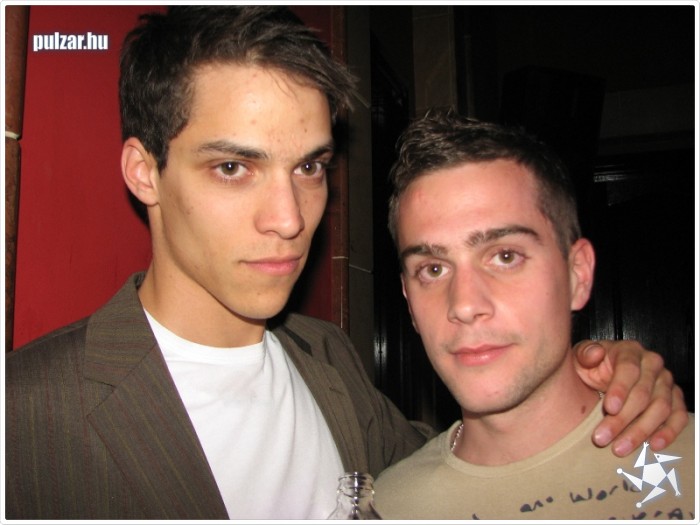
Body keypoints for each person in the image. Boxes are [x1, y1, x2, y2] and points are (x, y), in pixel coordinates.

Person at [3, 6, 688, 520]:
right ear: (144, 171)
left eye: (309, 167)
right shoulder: (28, 416)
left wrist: (597, 369)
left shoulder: (328, 360)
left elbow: (466, 460)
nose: (290, 218)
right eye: (234, 167)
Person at [374, 110, 695, 520]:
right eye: (433, 269)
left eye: (505, 256)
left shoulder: (689, 460)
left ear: (577, 275)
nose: (464, 305)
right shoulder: (386, 509)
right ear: (408, 301)